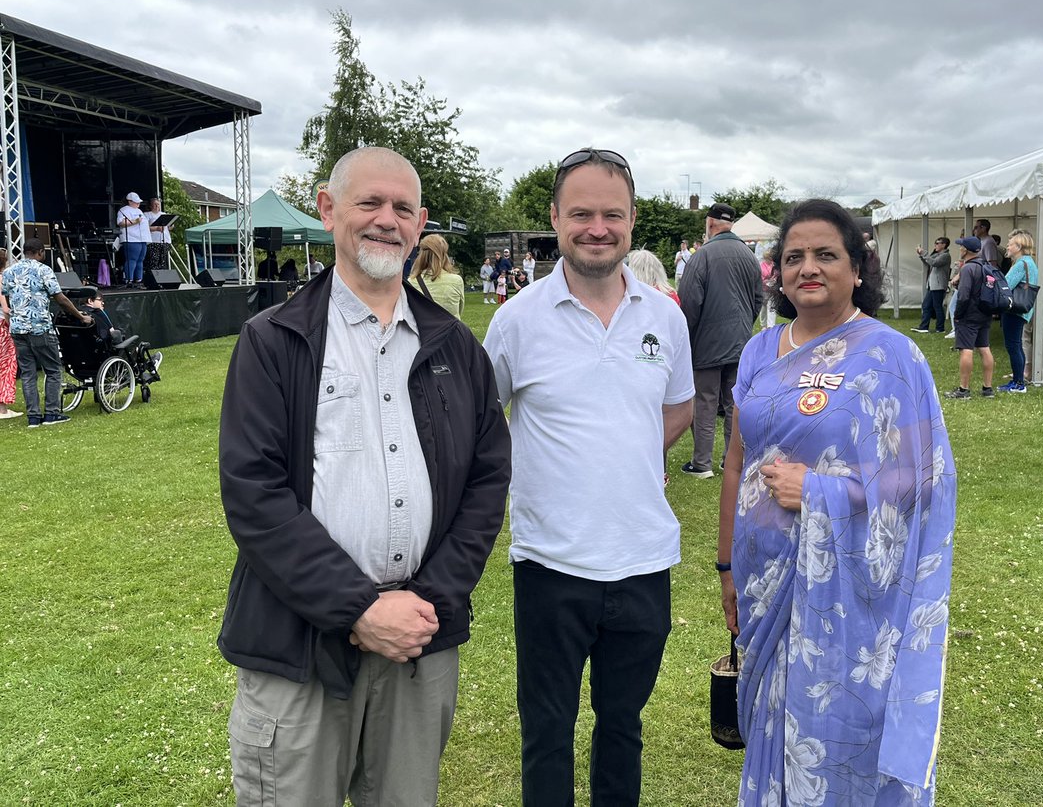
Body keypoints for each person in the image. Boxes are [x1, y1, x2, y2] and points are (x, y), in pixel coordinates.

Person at [217, 146, 511, 805]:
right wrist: (358, 608)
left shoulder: (455, 346)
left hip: (419, 642)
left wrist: (428, 601)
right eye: (369, 202)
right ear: (328, 209)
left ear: (420, 224)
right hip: (299, 644)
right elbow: (254, 492)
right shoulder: (274, 340)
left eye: (403, 208)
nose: (386, 219)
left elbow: (487, 480)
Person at [717, 198, 955, 806]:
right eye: (793, 257)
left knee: (842, 726)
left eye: (826, 254)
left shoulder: (891, 357)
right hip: (763, 575)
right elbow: (737, 462)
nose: (808, 268)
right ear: (777, 272)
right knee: (771, 722)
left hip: (848, 589)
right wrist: (726, 565)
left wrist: (823, 492)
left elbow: (921, 481)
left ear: (856, 268)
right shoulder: (759, 350)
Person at [483, 147, 694, 806]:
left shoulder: (665, 316)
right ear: (555, 219)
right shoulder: (516, 320)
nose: (597, 229)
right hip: (551, 562)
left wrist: (628, 454)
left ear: (632, 220)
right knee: (547, 730)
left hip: (643, 559)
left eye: (612, 214)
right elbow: (484, 422)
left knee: (623, 726)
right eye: (581, 214)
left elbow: (680, 405)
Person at [678, 203, 762, 478]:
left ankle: (702, 462)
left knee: (705, 401)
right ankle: (731, 458)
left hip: (707, 343)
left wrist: (689, 338)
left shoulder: (702, 256)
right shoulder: (749, 255)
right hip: (740, 342)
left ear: (710, 223)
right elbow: (758, 298)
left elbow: (689, 302)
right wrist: (743, 325)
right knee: (733, 402)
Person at [0, 238, 93, 427]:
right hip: (39, 327)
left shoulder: (9, 272)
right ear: (40, 252)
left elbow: (7, 298)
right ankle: (51, 414)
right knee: (53, 370)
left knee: (28, 374)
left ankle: (33, 417)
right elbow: (60, 298)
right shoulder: (44, 270)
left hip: (18, 329)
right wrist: (80, 316)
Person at [945, 235, 996, 399]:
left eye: (961, 246)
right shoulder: (986, 266)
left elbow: (964, 296)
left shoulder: (967, 268)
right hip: (985, 312)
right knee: (984, 348)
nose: (960, 248)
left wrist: (958, 315)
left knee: (966, 349)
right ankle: (987, 388)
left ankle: (964, 389)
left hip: (969, 314)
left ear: (965, 250)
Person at [998, 230, 1039, 393]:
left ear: (1019, 247)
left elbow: (1006, 285)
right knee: (1017, 345)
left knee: (1013, 346)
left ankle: (1018, 383)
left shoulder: (1021, 264)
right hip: (1023, 311)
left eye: (1010, 244)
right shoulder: (1030, 262)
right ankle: (1018, 380)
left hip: (1014, 310)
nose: (1007, 247)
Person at [411, 233, 465, 319]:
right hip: (450, 326)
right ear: (444, 255)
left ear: (421, 255)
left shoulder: (411, 282)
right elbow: (459, 310)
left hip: (424, 327)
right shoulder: (456, 280)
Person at [912, 237, 951, 334]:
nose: (935, 245)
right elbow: (928, 262)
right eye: (935, 243)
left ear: (944, 245)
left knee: (937, 306)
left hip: (939, 285)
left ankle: (940, 328)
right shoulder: (937, 254)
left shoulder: (945, 256)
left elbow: (934, 263)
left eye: (937, 243)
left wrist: (924, 253)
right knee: (926, 305)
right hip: (932, 284)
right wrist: (921, 255)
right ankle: (924, 327)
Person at [0, 250, 21, 419]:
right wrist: (11, 324)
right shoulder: (1, 279)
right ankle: (2, 409)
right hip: (2, 326)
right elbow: (5, 308)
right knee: (6, 364)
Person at [117, 191, 151, 287]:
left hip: (142, 238)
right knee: (132, 259)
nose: (138, 203)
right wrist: (135, 221)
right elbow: (120, 223)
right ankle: (129, 279)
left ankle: (139, 279)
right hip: (132, 238)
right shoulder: (123, 210)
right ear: (130, 201)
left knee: (140, 259)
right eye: (136, 202)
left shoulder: (139, 211)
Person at [144, 197, 171, 271]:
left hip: (165, 240)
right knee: (154, 261)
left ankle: (162, 276)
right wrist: (156, 228)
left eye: (158, 204)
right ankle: (153, 276)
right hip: (153, 241)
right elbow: (144, 228)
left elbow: (168, 228)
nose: (157, 206)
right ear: (150, 206)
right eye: (155, 204)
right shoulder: (147, 215)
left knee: (163, 261)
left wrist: (171, 226)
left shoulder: (164, 214)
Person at [758, 248, 777, 327]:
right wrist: (766, 281)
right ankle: (763, 325)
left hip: (772, 290)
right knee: (763, 308)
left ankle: (771, 325)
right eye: (768, 258)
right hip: (763, 290)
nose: (770, 260)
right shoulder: (761, 266)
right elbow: (759, 279)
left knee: (771, 308)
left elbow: (777, 274)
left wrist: (775, 279)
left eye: (771, 258)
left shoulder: (774, 265)